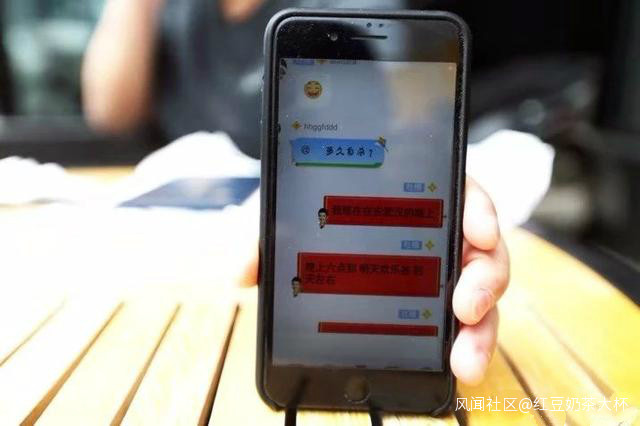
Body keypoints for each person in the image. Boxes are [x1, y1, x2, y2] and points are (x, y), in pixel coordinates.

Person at [84, 0, 509, 386]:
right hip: (173, 265)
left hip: (311, 243)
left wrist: (431, 184)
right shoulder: (171, 12)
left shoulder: (354, 8)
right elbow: (109, 113)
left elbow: (407, 136)